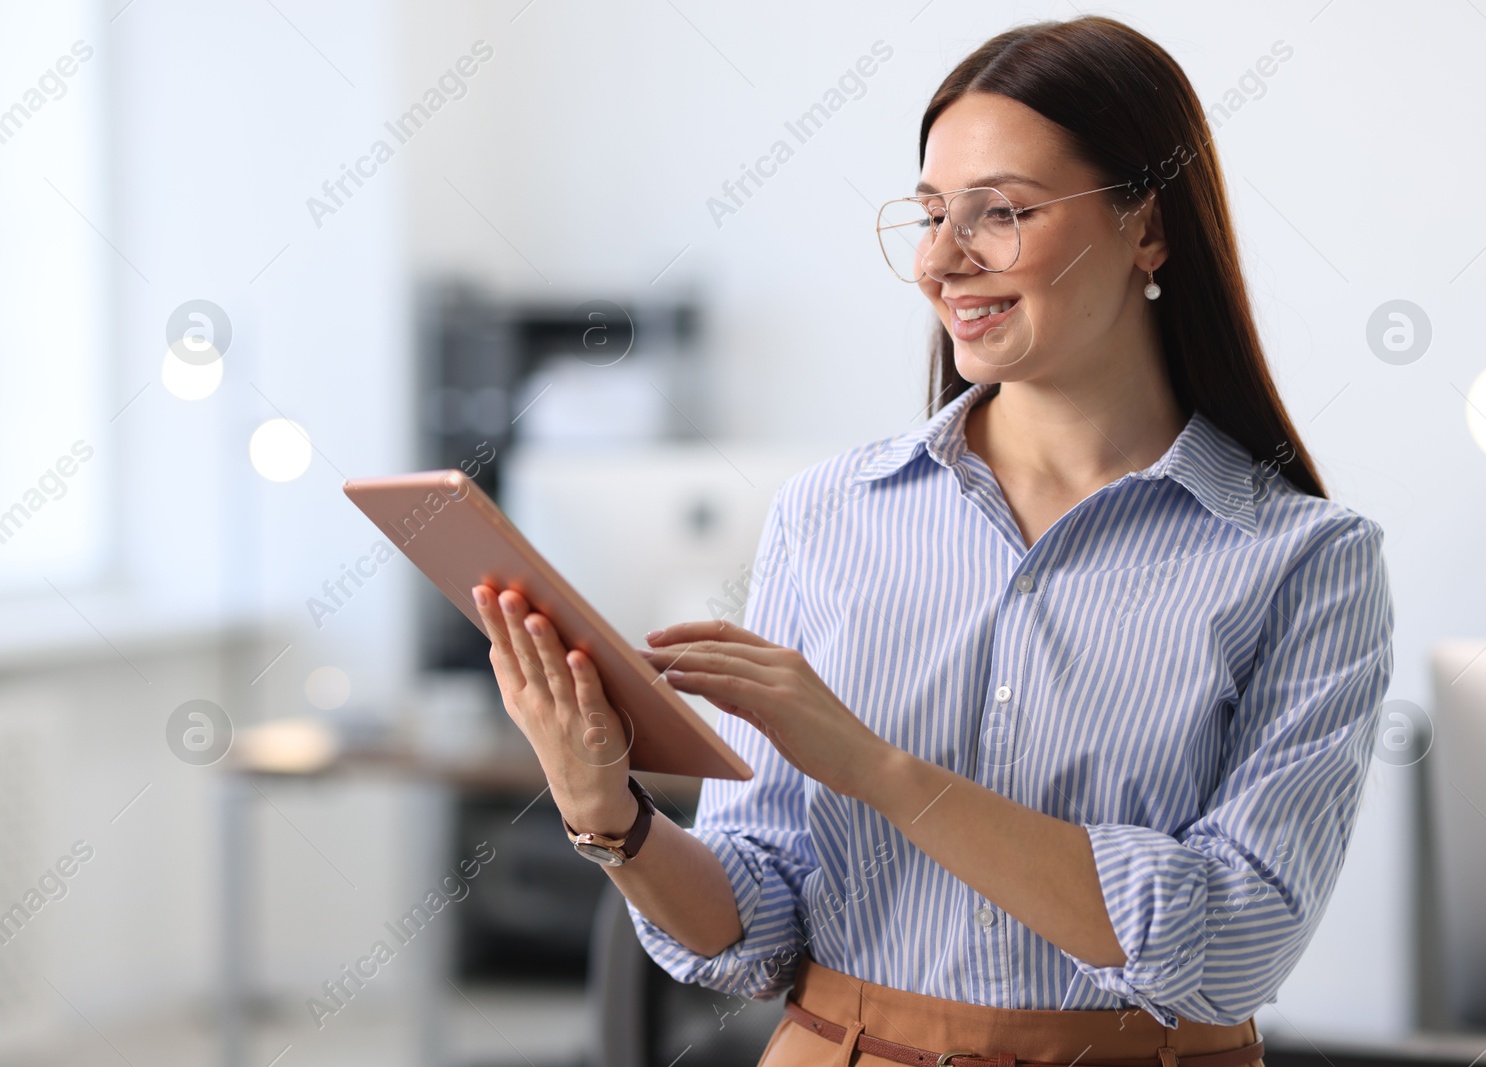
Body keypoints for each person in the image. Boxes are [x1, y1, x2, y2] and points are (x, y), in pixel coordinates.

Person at [473, 15, 1393, 1066]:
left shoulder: (1306, 562)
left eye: (999, 211)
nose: (940, 260)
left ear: (1147, 225)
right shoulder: (829, 512)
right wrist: (614, 819)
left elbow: (1232, 941)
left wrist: (881, 769)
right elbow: (755, 926)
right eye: (927, 214)